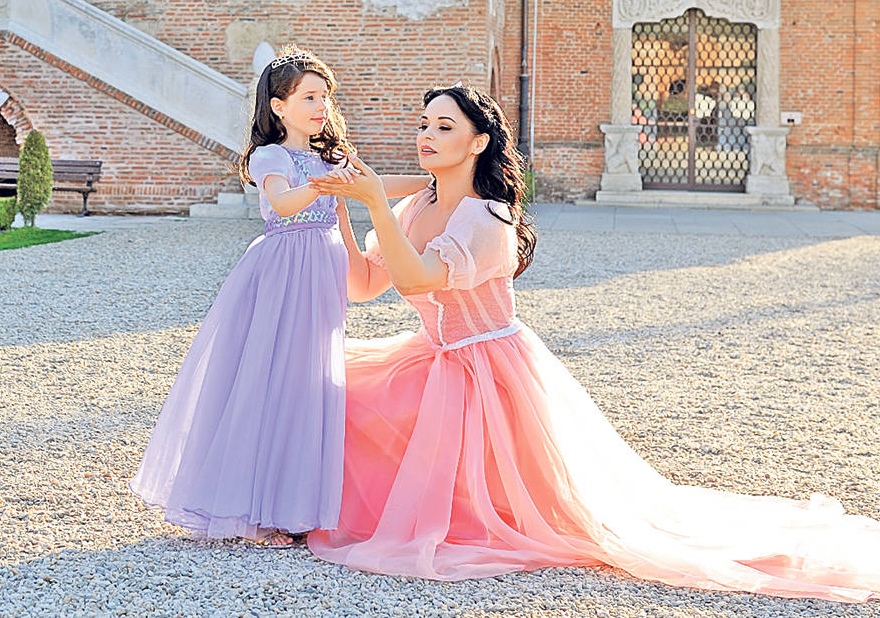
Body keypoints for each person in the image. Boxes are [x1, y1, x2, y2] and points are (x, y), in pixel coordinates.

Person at [305, 84, 880, 602]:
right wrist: (340, 213)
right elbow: (364, 286)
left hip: (486, 368)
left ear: (478, 142)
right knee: (329, 388)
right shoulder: (414, 207)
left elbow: (417, 281)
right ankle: (307, 505)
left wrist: (373, 201)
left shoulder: (488, 219)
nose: (427, 136)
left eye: (444, 126)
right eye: (424, 124)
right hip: (429, 356)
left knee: (516, 505)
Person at [129, 47, 428, 548]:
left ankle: (296, 505)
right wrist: (321, 185)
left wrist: (435, 181)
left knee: (310, 381)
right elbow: (283, 203)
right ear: (278, 106)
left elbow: (376, 186)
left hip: (321, 272)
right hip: (281, 273)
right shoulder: (271, 157)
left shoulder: (330, 158)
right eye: (309, 97)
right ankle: (256, 508)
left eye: (325, 97)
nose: (321, 106)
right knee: (271, 378)